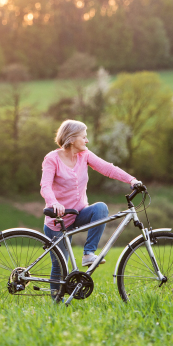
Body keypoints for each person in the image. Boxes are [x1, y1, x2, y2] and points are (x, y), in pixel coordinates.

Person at [40, 120, 139, 289]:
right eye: (84, 137)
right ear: (71, 139)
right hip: (58, 221)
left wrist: (132, 179)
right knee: (60, 265)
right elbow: (45, 186)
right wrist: (54, 202)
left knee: (100, 208)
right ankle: (55, 302)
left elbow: (108, 168)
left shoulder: (84, 155)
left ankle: (88, 253)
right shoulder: (52, 159)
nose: (87, 141)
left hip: (79, 215)